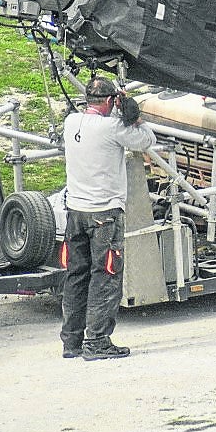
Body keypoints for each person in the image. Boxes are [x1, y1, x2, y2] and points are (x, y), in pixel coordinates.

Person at [60, 77, 155, 361]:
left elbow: (90, 122)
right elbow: (146, 141)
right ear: (112, 101)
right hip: (104, 215)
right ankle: (98, 340)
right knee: (105, 276)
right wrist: (133, 115)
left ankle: (72, 341)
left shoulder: (71, 123)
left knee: (76, 276)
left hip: (75, 211)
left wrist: (118, 109)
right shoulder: (113, 128)